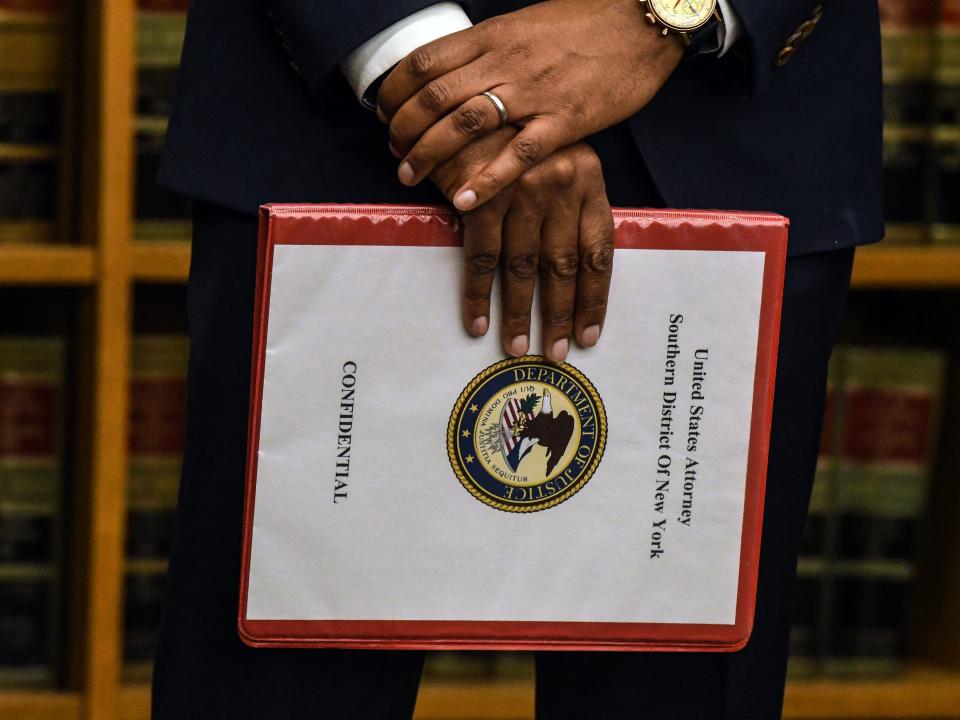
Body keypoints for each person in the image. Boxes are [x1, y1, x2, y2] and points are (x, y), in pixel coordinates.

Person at [152, 1, 883, 718]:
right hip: (336, 121)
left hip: (731, 131)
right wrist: (439, 85)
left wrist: (665, 17)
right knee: (283, 676)